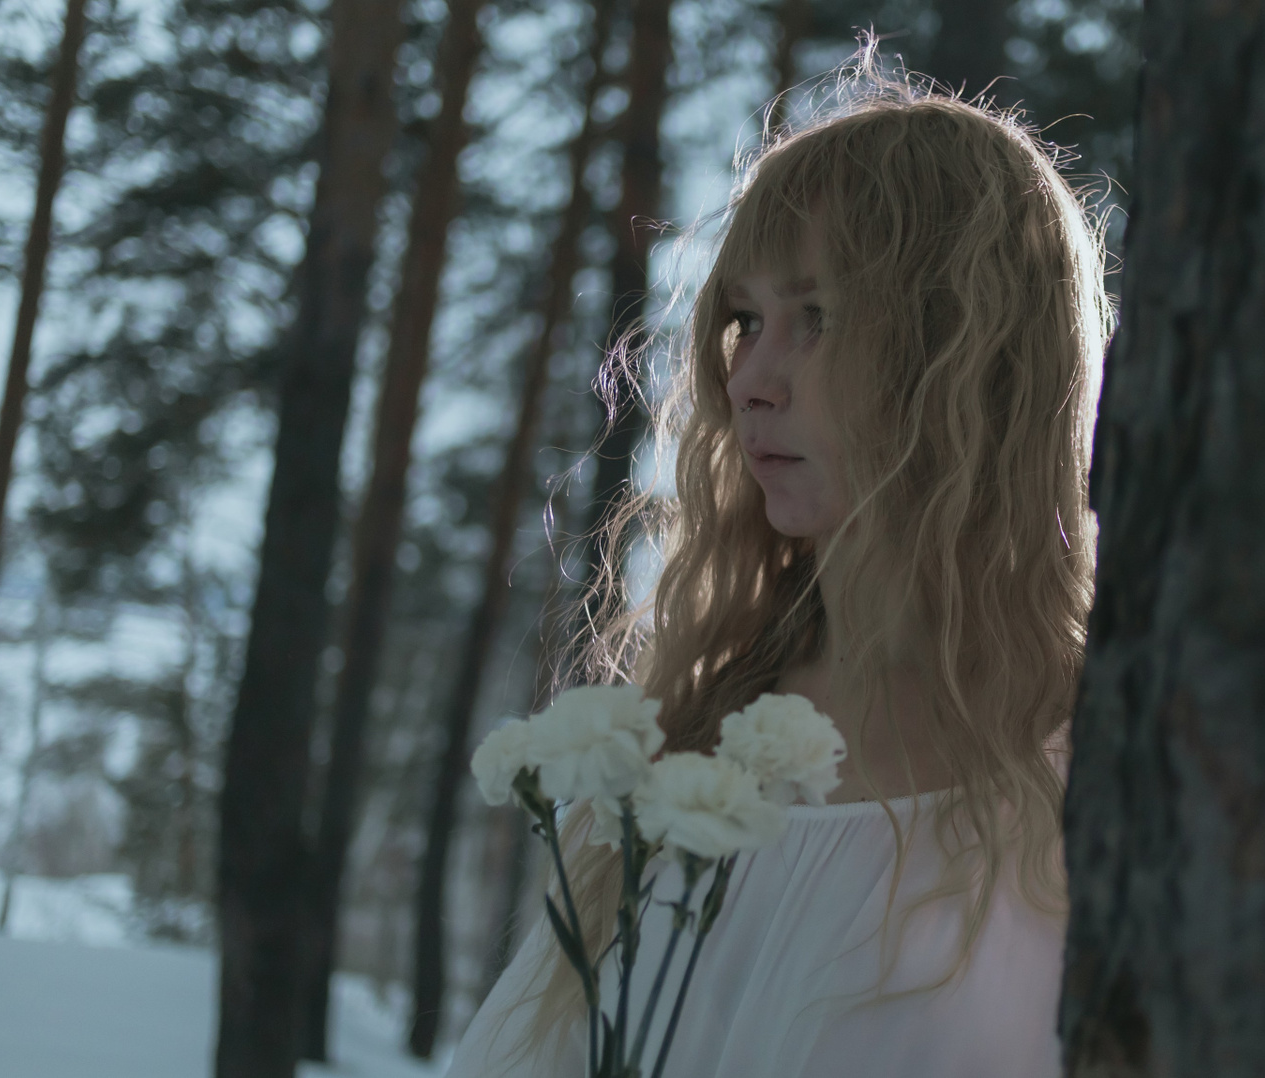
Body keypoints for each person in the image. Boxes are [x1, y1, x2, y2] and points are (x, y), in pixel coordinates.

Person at [445, 65, 1112, 1077]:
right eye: (745, 322)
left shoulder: (1109, 779)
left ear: (965, 353)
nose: (749, 382)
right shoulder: (684, 748)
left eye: (818, 317)